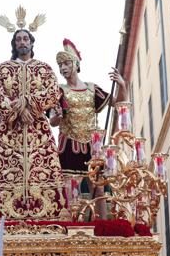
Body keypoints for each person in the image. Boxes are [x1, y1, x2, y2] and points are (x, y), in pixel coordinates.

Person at [0, 27, 68, 221]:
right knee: (4, 172)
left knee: (44, 172)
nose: (22, 42)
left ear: (31, 42)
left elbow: (53, 92)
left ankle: (49, 216)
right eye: (18, 39)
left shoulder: (44, 69)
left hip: (38, 131)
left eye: (25, 39)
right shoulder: (1, 70)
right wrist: (19, 109)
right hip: (9, 133)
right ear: (14, 44)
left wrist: (28, 102)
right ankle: (2, 217)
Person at [49, 38, 127, 218]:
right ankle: (72, 225)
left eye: (66, 63)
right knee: (70, 189)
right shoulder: (58, 91)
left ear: (76, 64)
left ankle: (101, 224)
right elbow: (52, 119)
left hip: (93, 144)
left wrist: (122, 85)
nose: (63, 68)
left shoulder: (92, 89)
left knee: (99, 187)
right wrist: (58, 117)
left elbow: (119, 104)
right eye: (60, 65)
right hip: (68, 143)